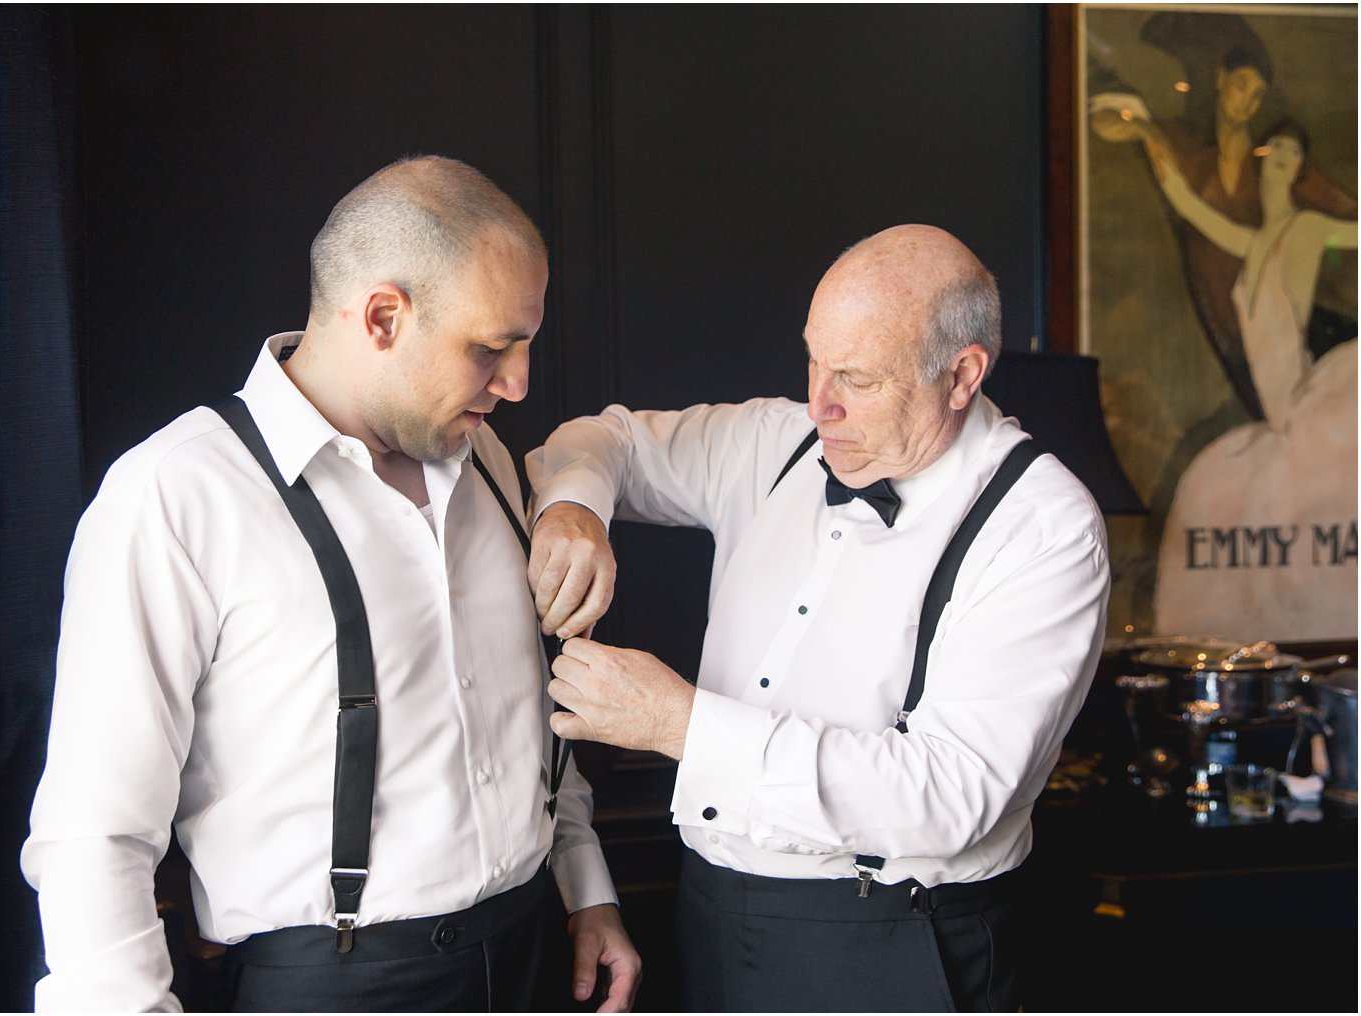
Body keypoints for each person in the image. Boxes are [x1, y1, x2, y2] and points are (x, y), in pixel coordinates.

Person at [22, 156, 640, 1012]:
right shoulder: (176, 494)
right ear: (382, 316)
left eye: (524, 344)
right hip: (332, 986)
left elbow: (523, 731)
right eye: (491, 348)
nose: (518, 383)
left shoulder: (490, 465)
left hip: (536, 955)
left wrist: (587, 892)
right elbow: (96, 831)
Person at [524, 225, 1110, 1011]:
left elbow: (952, 794)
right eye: (813, 359)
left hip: (893, 947)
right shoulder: (779, 442)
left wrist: (681, 726)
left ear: (962, 374)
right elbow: (607, 441)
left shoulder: (1042, 526)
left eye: (858, 378)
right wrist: (573, 510)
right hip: (710, 920)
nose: (819, 402)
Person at [1151, 121, 1358, 637]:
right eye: (1277, 151)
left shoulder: (1307, 229)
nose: (1284, 160)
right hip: (1281, 409)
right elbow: (1186, 202)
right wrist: (1147, 135)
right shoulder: (1255, 240)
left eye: (1294, 153)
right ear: (1262, 159)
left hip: (1308, 401)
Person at [1091, 42, 1357, 422]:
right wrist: (1147, 128)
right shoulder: (1243, 231)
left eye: (1258, 95)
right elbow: (1189, 206)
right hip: (1258, 379)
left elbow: (1346, 219)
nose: (1247, 102)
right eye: (1241, 86)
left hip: (1300, 388)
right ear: (1221, 80)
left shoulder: (1300, 213)